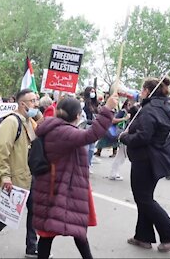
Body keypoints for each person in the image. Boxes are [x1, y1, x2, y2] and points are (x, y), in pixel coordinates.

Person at [33, 95, 117, 259]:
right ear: (78, 116)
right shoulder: (64, 131)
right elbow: (92, 135)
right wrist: (107, 109)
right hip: (62, 187)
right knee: (75, 229)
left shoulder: (52, 127)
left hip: (56, 185)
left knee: (51, 233)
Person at [119, 77, 170, 253]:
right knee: (145, 197)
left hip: (145, 159)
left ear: (147, 91)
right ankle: (143, 237)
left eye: (142, 90)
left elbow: (143, 136)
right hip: (156, 158)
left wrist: (125, 137)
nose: (141, 93)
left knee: (144, 198)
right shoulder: (165, 107)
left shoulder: (149, 110)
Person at [0, 89, 39, 258]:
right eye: (33, 101)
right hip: (16, 176)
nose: (36, 104)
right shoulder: (11, 122)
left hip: (30, 174)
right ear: (23, 104)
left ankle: (31, 247)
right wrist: (5, 175)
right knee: (10, 214)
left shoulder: (27, 121)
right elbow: (2, 151)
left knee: (34, 210)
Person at [82, 87, 99, 166]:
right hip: (87, 126)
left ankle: (88, 164)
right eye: (91, 91)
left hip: (94, 127)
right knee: (86, 148)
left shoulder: (95, 104)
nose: (93, 93)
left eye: (94, 92)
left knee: (92, 149)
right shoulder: (84, 103)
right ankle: (84, 164)